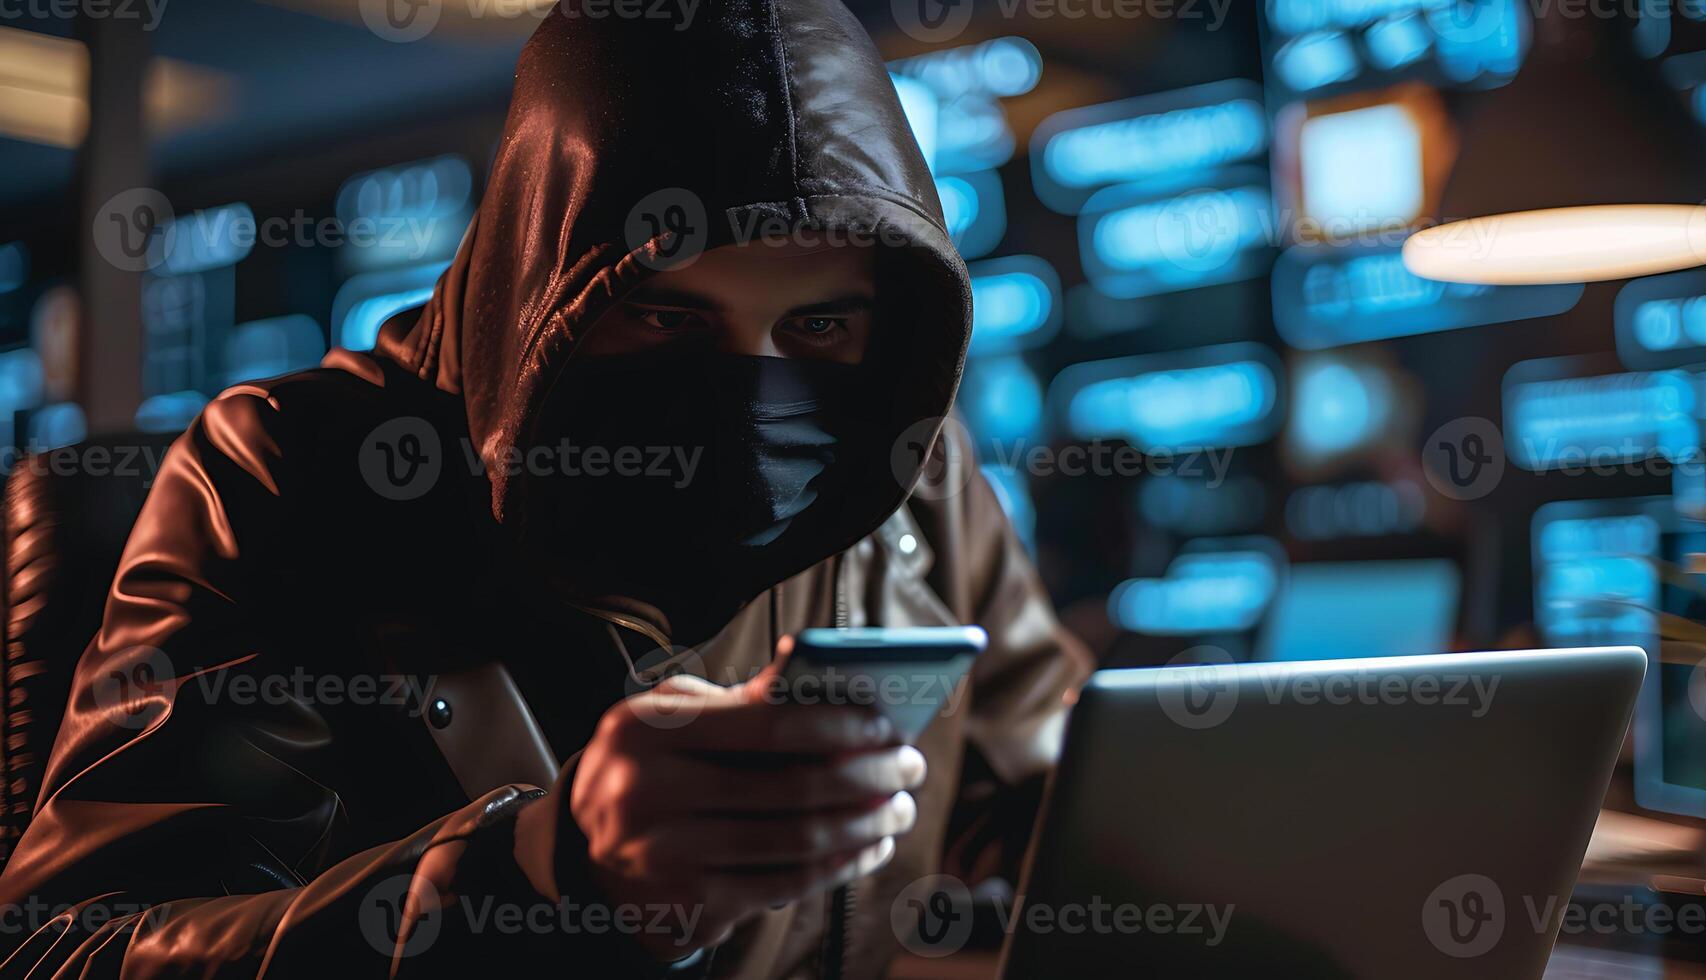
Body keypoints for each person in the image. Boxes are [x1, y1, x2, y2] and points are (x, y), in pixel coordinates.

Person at [0, 1, 1090, 977]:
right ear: (542, 284)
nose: (752, 393)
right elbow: (74, 948)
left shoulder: (908, 469)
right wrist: (537, 874)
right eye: (666, 316)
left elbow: (1055, 801)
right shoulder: (285, 477)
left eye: (818, 326)